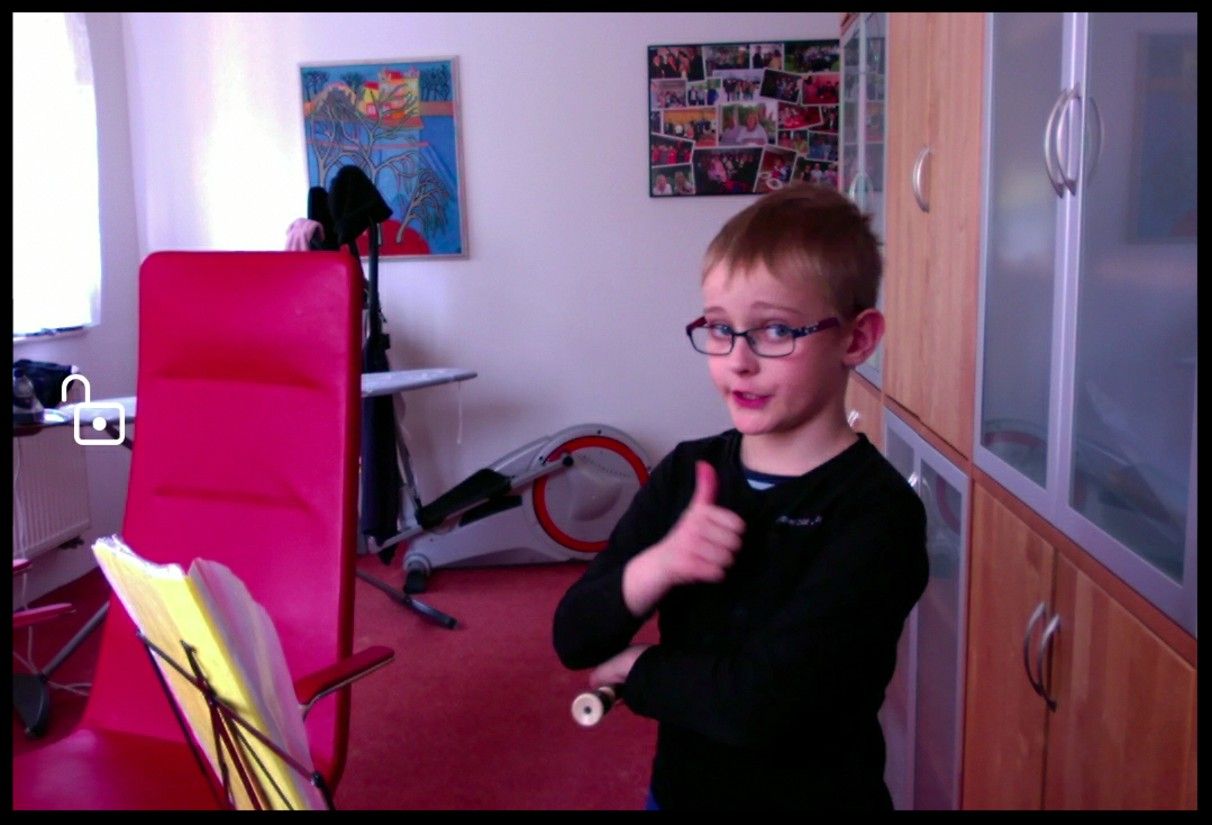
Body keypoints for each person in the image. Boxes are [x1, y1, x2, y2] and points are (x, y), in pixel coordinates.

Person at [552, 182, 928, 812]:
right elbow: (575, 636)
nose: (738, 361)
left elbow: (766, 705)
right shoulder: (686, 472)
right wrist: (660, 565)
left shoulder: (877, 512)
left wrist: (641, 670)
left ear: (857, 340)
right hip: (679, 794)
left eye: (775, 330)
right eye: (721, 329)